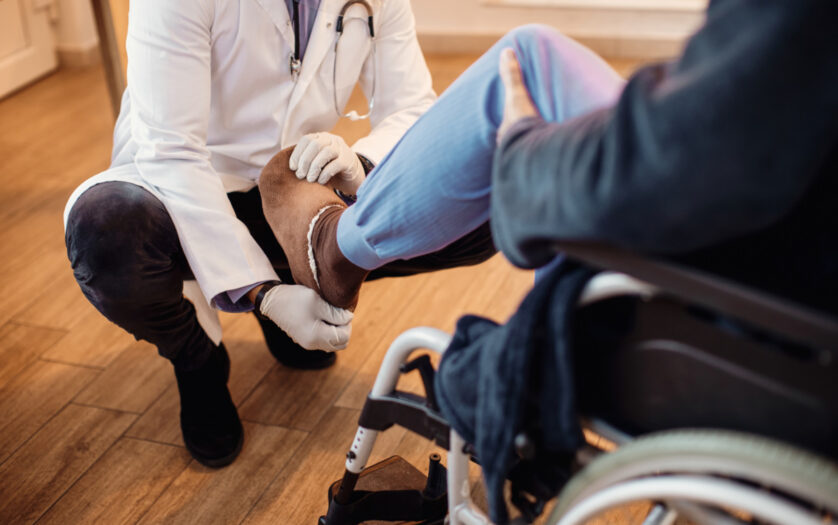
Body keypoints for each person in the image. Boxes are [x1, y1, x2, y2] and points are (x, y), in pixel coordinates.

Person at [260, 2, 838, 520]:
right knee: (540, 57)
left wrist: (525, 153)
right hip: (804, 283)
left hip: (761, 330)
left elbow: (684, 160)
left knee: (526, 75)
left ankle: (337, 250)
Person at [63, 0, 496, 468]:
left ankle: (299, 272)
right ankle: (197, 358)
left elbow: (411, 107)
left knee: (482, 207)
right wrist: (262, 294)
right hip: (181, 190)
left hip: (291, 190)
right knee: (106, 231)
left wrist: (361, 163)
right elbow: (172, 153)